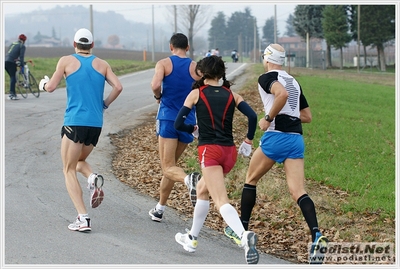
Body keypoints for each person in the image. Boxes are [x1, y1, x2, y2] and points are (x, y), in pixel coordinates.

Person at [223, 44, 329, 264]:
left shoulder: (267, 77)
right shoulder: (294, 80)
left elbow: (281, 94)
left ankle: (241, 229)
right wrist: (289, 117)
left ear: (268, 58)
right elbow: (307, 116)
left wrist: (268, 118)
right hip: (295, 139)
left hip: (276, 136)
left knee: (250, 179)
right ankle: (316, 235)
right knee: (298, 191)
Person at [174, 55, 260, 264]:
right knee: (202, 190)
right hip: (229, 153)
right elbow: (253, 117)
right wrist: (248, 141)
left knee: (221, 200)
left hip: (209, 151)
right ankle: (192, 238)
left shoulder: (196, 94)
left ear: (202, 74)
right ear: (222, 73)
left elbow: (178, 124)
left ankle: (243, 236)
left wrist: (193, 129)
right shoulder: (232, 95)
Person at [38, 28, 123, 232]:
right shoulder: (102, 64)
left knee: (68, 169)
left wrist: (43, 84)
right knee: (78, 162)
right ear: (92, 45)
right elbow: (118, 87)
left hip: (74, 122)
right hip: (95, 124)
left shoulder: (66, 61)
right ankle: (92, 178)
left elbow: (50, 87)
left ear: (74, 44)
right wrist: (104, 104)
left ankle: (83, 218)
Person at [149, 33, 202, 222]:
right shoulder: (196, 68)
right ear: (187, 47)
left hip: (168, 119)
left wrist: (158, 97)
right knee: (171, 167)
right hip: (188, 121)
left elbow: (155, 84)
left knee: (168, 168)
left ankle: (189, 180)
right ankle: (159, 208)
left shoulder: (164, 64)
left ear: (171, 47)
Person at [5, 34, 27, 100]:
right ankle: (12, 94)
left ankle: (13, 93)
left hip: (5, 61)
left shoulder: (13, 43)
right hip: (11, 62)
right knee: (13, 77)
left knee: (13, 78)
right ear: (24, 40)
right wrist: (22, 64)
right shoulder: (22, 46)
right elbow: (21, 56)